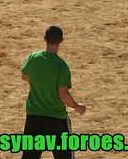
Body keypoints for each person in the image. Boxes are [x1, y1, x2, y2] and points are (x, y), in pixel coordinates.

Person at [21, 25, 86, 159]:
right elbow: (63, 94)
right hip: (56, 119)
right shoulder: (61, 66)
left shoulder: (33, 58)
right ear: (62, 40)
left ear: (44, 39)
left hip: (33, 117)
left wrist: (41, 82)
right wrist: (77, 106)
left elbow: (25, 76)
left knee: (29, 155)